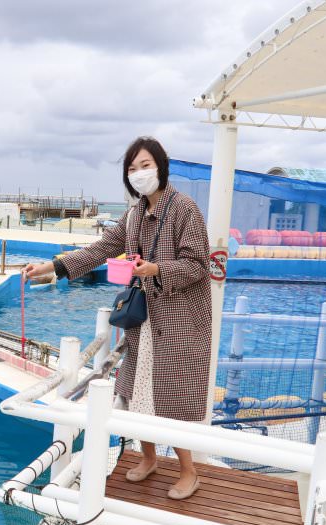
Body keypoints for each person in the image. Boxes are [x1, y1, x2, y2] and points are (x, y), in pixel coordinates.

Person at [23, 136, 211, 499]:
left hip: (179, 321)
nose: (139, 174)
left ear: (161, 167)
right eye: (132, 168)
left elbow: (198, 266)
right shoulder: (135, 214)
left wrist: (155, 268)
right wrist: (51, 267)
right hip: (145, 320)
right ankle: (149, 457)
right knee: (138, 390)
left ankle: (189, 471)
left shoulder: (185, 210)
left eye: (145, 165)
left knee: (170, 398)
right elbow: (101, 249)